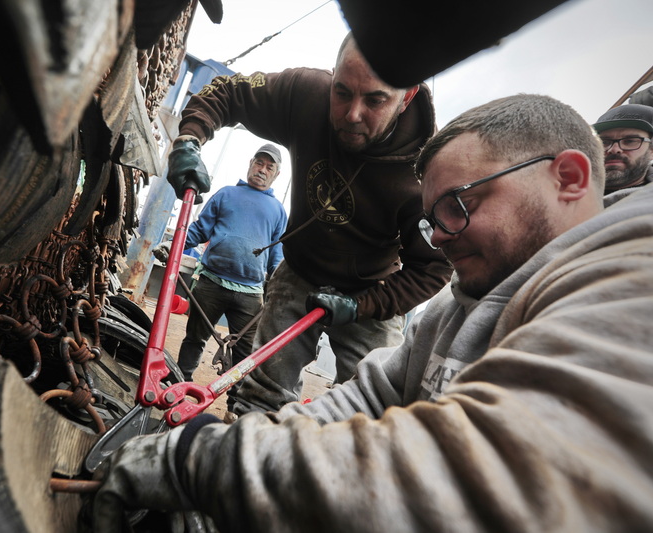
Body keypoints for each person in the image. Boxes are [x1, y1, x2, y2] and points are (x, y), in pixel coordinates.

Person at [93, 94, 653, 532]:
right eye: (433, 216)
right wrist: (258, 443)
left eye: (461, 204)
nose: (437, 235)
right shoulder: (463, 303)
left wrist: (203, 463)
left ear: (570, 178)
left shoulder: (634, 271)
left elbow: (485, 482)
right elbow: (368, 397)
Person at [163, 33, 452, 417]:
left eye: (375, 99)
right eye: (343, 92)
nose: (352, 113)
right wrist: (189, 140)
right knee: (260, 396)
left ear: (407, 97)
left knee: (371, 409)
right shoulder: (306, 95)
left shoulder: (428, 171)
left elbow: (433, 267)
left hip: (373, 292)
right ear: (332, 78)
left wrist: (360, 305)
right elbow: (228, 92)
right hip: (300, 273)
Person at [155, 144, 287, 408]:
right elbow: (198, 231)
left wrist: (279, 284)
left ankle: (234, 404)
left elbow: (277, 256)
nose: (262, 169)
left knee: (244, 354)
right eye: (259, 163)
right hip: (211, 283)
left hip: (250, 294)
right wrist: (174, 246)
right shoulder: (226, 194)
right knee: (194, 338)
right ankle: (178, 387)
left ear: (276, 174)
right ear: (250, 163)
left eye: (269, 167)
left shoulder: (278, 211)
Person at [591, 103, 653, 196]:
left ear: (651, 151)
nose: (614, 149)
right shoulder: (565, 193)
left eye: (629, 141)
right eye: (604, 142)